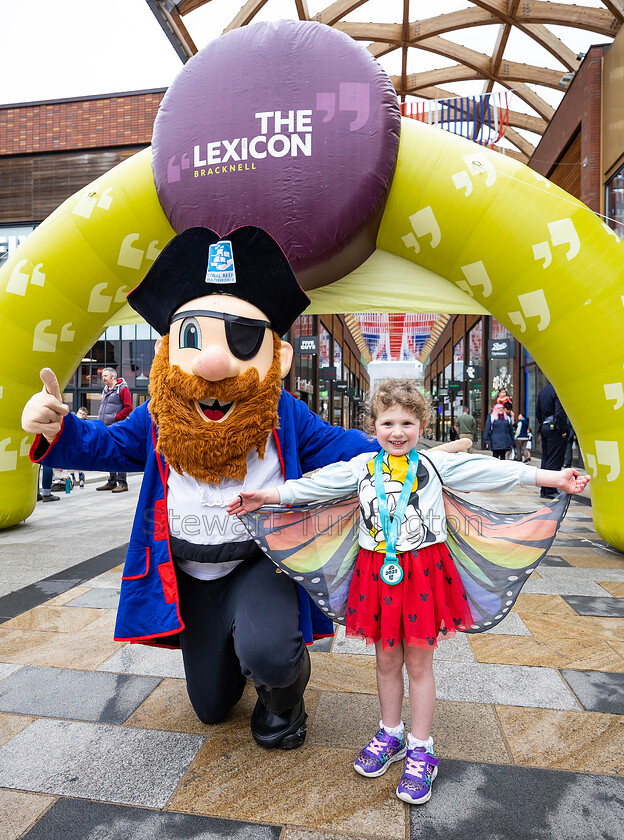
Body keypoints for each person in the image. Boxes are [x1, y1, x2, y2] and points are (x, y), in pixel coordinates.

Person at [21, 226, 397, 751]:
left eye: (243, 340)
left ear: (278, 359)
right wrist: (57, 427)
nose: (214, 364)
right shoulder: (158, 417)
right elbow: (106, 448)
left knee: (270, 654)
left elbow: (344, 448)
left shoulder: (284, 414)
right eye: (192, 339)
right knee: (211, 707)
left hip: (259, 560)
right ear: (167, 351)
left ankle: (284, 696)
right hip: (193, 574)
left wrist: (403, 457)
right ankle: (241, 656)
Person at [228, 378, 589, 805]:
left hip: (421, 576)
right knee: (385, 662)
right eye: (387, 423)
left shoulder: (436, 466)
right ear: (373, 426)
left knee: (418, 664)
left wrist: (554, 477)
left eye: (407, 422)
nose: (397, 431)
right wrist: (263, 497)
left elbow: (496, 472)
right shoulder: (361, 466)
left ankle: (421, 747)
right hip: (376, 576)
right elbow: (312, 487)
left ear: (421, 425)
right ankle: (391, 733)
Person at [96, 368, 132, 493]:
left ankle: (122, 483)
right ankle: (112, 481)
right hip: (105, 427)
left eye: (105, 375)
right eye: (103, 376)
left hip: (117, 427)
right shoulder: (106, 390)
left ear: (112, 377)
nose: (103, 378)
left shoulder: (122, 389)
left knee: (119, 453)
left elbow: (128, 408)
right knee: (109, 453)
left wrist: (116, 418)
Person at [535, 381, 569, 499]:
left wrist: (543, 424)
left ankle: (544, 488)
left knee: (546, 458)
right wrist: (563, 429)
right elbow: (560, 413)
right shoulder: (558, 390)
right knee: (555, 459)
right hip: (555, 428)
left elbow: (537, 412)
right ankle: (550, 489)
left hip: (545, 426)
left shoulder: (543, 391)